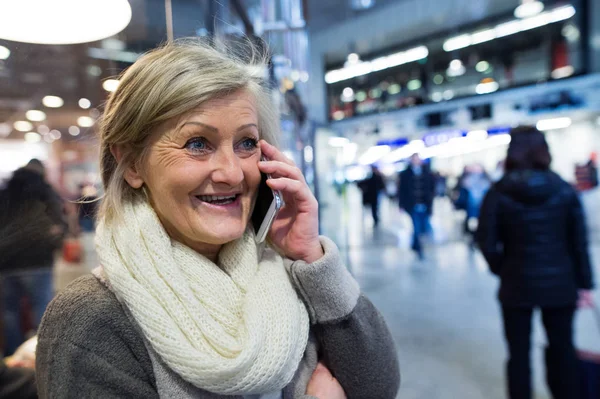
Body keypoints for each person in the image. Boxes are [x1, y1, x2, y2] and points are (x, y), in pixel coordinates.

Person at [36, 39, 400, 398]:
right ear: (133, 164)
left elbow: (378, 386)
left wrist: (311, 257)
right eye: (197, 144)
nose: (233, 173)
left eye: (246, 143)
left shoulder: (288, 273)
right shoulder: (91, 320)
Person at [476, 126, 594, 399]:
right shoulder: (564, 189)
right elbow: (579, 242)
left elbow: (486, 240)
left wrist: (503, 268)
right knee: (562, 347)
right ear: (545, 151)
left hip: (516, 283)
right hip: (561, 284)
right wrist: (585, 284)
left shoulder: (498, 192)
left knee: (518, 353)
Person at [0, 159, 66, 356]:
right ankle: (44, 357)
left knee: (10, 312)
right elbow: (59, 224)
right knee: (43, 311)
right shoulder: (45, 192)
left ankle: (13, 358)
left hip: (7, 262)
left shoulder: (6, 192)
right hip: (38, 261)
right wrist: (53, 245)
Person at [398, 153, 435, 259]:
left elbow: (431, 189)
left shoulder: (427, 173)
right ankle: (418, 247)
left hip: (425, 204)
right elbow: (401, 190)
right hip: (412, 205)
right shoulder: (405, 174)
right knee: (416, 227)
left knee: (424, 227)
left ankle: (415, 244)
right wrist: (401, 204)